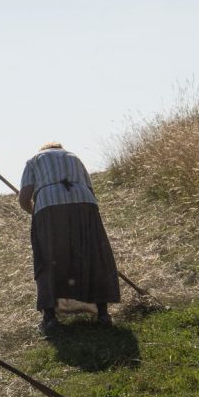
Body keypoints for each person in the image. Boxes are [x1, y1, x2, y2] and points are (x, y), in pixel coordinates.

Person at [18, 142, 121, 333]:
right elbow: (90, 190)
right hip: (85, 204)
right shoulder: (74, 157)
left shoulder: (34, 160)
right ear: (60, 148)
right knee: (93, 256)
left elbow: (24, 198)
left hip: (49, 207)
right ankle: (103, 314)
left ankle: (49, 318)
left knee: (49, 258)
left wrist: (35, 213)